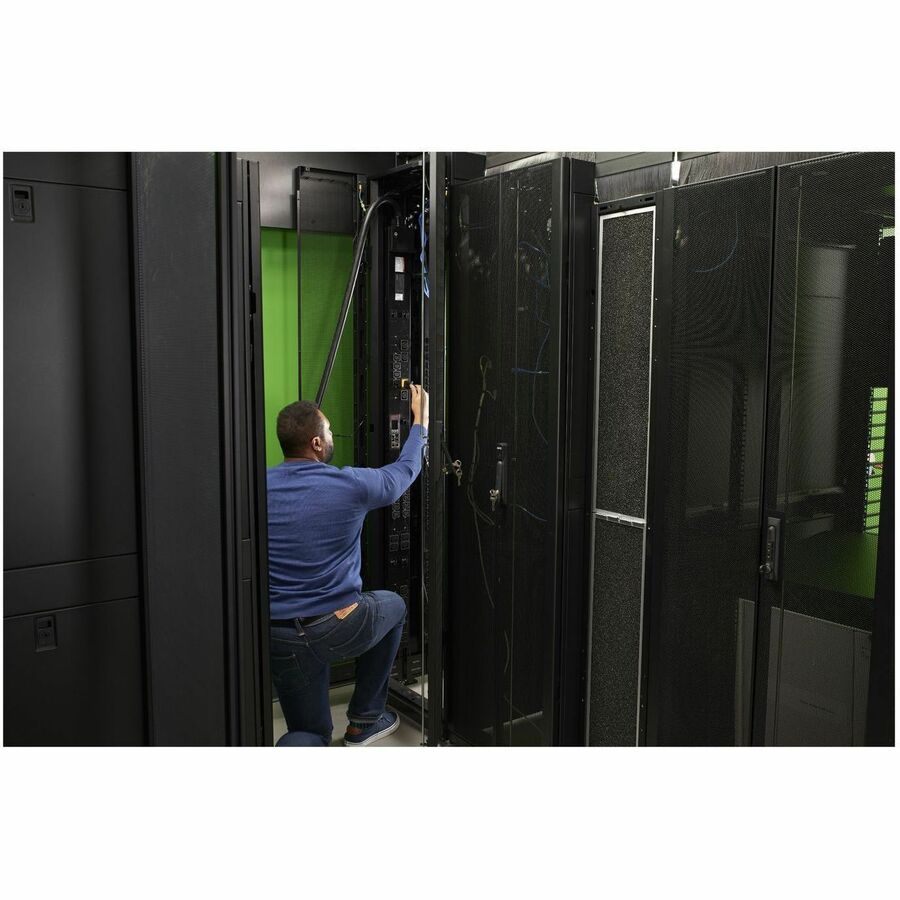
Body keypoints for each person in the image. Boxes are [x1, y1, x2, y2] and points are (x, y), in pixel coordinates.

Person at [268, 384, 429, 746]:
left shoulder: (257, 486)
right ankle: (364, 721)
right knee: (393, 605)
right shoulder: (349, 484)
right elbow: (405, 470)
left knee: (308, 734)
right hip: (334, 627)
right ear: (316, 443)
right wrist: (421, 423)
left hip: (278, 634)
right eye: (328, 431)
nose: (331, 436)